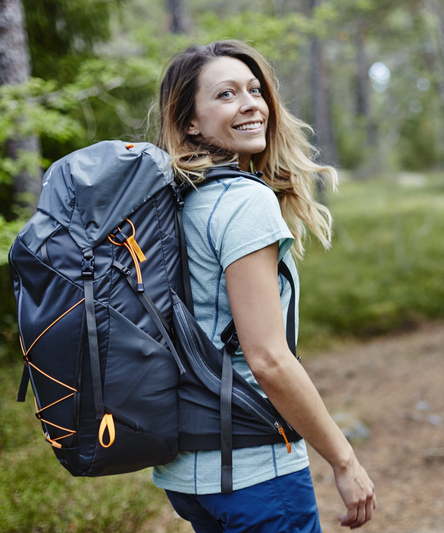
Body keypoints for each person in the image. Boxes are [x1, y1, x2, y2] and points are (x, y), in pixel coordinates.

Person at [152, 40, 376, 532]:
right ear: (190, 121)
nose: (252, 104)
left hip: (186, 474)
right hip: (255, 471)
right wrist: (343, 459)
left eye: (255, 90)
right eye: (227, 95)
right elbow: (269, 359)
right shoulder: (243, 203)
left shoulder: (174, 201)